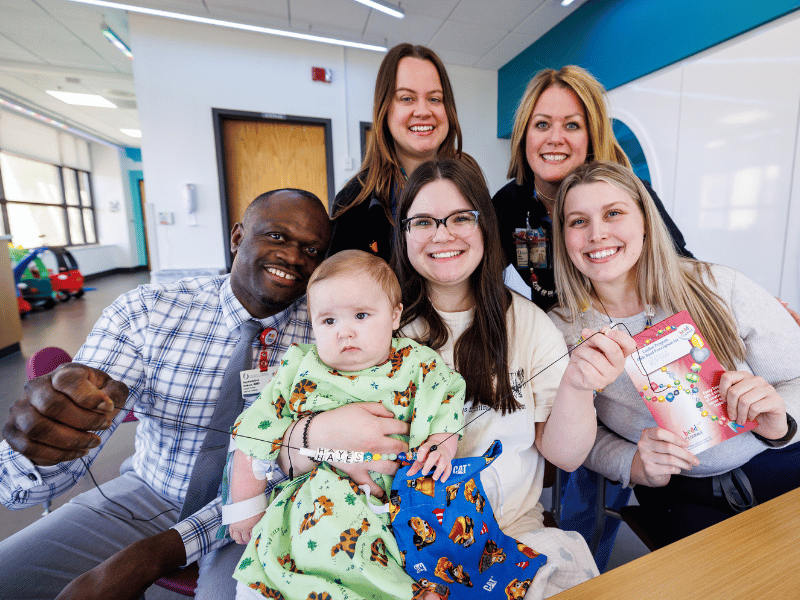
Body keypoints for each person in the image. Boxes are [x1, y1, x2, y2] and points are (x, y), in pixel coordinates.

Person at [283, 158, 636, 599]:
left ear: (485, 225)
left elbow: (564, 457)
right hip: (381, 546)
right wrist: (316, 433)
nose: (442, 234)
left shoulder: (528, 325)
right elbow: (276, 452)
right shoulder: (365, 324)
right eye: (423, 222)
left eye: (460, 218)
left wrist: (579, 389)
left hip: (505, 539)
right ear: (404, 234)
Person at [0, 189, 348, 600]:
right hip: (150, 493)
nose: (293, 257)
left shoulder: (332, 332)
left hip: (264, 511)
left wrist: (157, 553)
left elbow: (301, 470)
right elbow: (24, 489)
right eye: (276, 236)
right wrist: (42, 446)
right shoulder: (148, 311)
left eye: (311, 249)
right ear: (237, 237)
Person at [548, 160, 800, 548]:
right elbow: (583, 438)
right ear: (563, 236)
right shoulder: (561, 330)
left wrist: (783, 421)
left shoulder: (716, 284)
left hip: (776, 460)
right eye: (578, 221)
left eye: (613, 213)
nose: (597, 234)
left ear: (645, 221)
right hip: (678, 492)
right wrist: (631, 463)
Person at [227, 249, 465, 600]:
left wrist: (442, 444)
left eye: (361, 315)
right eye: (329, 321)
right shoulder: (299, 367)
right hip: (315, 501)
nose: (345, 332)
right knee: (274, 571)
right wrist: (245, 509)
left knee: (419, 557)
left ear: (395, 315)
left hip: (398, 501)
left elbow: (449, 399)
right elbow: (253, 433)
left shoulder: (419, 363)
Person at [492, 65, 692, 311]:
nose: (555, 138)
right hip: (559, 338)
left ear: (591, 137)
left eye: (572, 125)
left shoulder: (632, 193)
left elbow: (683, 269)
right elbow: (480, 280)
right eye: (542, 125)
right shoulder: (507, 204)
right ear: (524, 135)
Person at [328, 43, 475, 262]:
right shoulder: (355, 201)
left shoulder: (470, 179)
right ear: (385, 109)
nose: (424, 111)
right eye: (407, 98)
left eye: (435, 99)